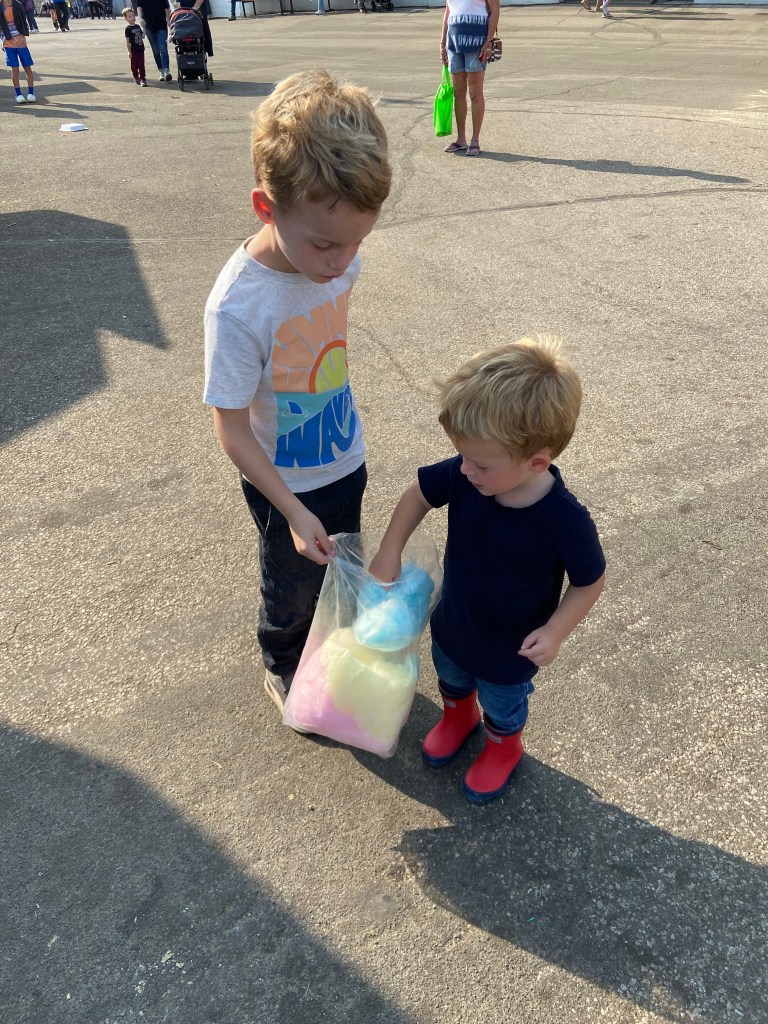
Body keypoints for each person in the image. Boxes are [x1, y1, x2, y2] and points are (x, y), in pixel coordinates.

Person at [203, 70, 392, 715]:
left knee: (340, 571)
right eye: (325, 244)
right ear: (266, 207)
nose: (343, 261)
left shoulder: (338, 261)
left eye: (358, 241)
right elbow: (232, 429)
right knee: (290, 586)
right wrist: (289, 510)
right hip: (281, 481)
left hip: (342, 455)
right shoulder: (238, 307)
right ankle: (284, 661)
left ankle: (330, 646)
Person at [368, 339, 606, 804]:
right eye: (461, 456)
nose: (465, 469)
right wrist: (389, 550)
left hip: (509, 649)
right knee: (451, 677)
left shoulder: (566, 521)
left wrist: (556, 631)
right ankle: (458, 718)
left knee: (503, 703)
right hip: (455, 622)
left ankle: (504, 747)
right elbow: (418, 494)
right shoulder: (469, 475)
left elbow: (589, 581)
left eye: (479, 463)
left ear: (537, 462)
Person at [440, 0, 498, 157]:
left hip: (477, 43)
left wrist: (488, 41)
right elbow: (448, 12)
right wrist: (442, 43)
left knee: (475, 94)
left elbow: (494, 9)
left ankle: (475, 140)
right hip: (453, 44)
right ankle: (461, 139)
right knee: (458, 93)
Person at [0, 0, 36, 102]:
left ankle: (31, 93)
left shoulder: (17, 5)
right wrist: (3, 41)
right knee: (15, 68)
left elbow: (24, 21)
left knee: (27, 67)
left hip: (21, 41)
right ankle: (18, 94)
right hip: (8, 42)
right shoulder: (1, 7)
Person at [136, 0, 171, 81]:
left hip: (161, 24)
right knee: (156, 50)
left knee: (163, 48)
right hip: (148, 26)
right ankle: (161, 71)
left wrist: (168, 18)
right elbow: (139, 7)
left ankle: (166, 71)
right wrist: (140, 18)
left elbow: (166, 7)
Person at [123, 6, 146, 85]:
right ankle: (136, 76)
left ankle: (143, 79)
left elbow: (143, 36)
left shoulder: (138, 26)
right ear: (126, 19)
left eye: (133, 16)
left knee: (141, 65)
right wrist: (129, 51)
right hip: (133, 50)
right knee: (134, 66)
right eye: (130, 16)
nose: (132, 18)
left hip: (141, 49)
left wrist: (144, 28)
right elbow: (127, 41)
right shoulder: (127, 29)